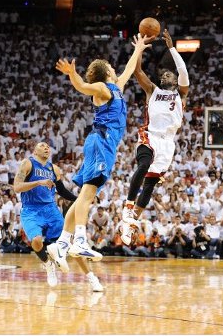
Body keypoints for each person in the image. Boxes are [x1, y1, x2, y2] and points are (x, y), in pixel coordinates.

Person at [50, 33, 150, 263]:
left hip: (101, 143)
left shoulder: (115, 87)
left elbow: (128, 69)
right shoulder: (103, 88)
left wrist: (139, 49)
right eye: (111, 67)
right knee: (89, 194)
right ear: (106, 72)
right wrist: (72, 74)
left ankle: (62, 242)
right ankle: (80, 241)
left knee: (83, 196)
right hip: (101, 141)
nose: (115, 69)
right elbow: (83, 86)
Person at [120, 29, 190, 245]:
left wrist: (171, 47)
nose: (164, 76)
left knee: (149, 186)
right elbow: (138, 71)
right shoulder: (152, 90)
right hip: (149, 136)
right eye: (162, 75)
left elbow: (183, 71)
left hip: (168, 144)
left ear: (176, 80)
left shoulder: (181, 94)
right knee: (143, 166)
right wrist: (139, 50)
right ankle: (128, 206)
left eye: (168, 75)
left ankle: (131, 224)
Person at [14, 142, 103, 291]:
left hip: (51, 209)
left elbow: (61, 191)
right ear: (35, 150)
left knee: (72, 244)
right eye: (42, 145)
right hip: (31, 209)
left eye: (48, 146)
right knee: (36, 241)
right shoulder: (27, 164)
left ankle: (91, 278)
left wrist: (80, 200)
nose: (46, 147)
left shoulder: (53, 169)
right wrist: (39, 182)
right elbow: (16, 187)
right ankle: (48, 264)